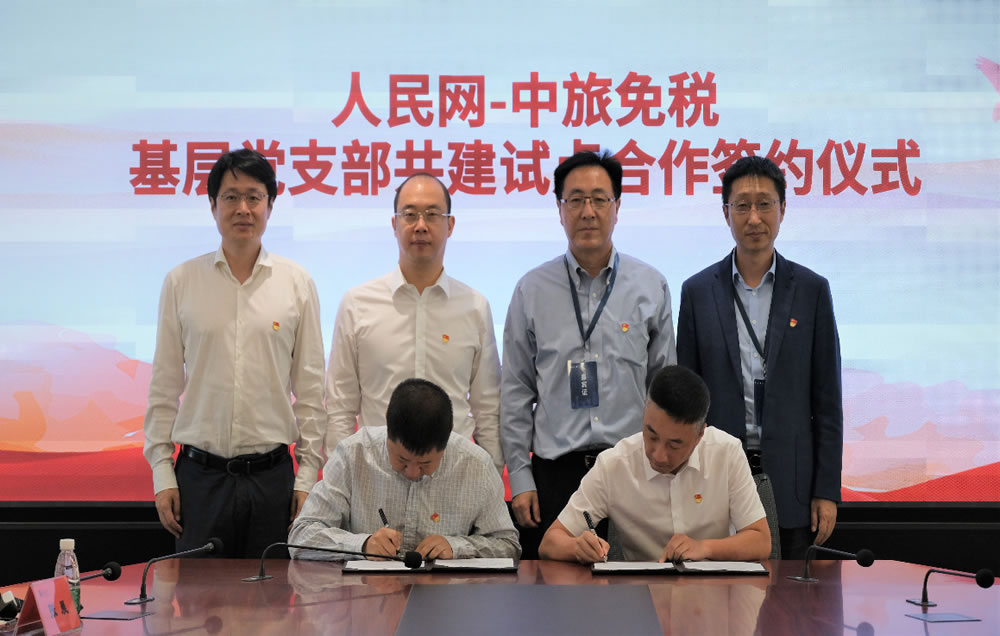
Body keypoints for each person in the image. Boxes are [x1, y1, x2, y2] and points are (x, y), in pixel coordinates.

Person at [143, 148, 326, 558]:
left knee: (274, 594)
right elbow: (164, 388)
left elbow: (312, 392)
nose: (243, 208)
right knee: (197, 596)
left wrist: (307, 478)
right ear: (212, 205)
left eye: (254, 197)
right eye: (230, 197)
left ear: (270, 205)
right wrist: (162, 473)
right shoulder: (182, 282)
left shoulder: (297, 284)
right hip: (199, 479)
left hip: (273, 480)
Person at [501, 150, 676, 558]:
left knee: (634, 589)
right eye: (575, 199)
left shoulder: (651, 286)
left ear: (617, 207)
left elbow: (664, 387)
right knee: (555, 592)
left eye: (599, 199)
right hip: (555, 475)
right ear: (560, 209)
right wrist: (521, 478)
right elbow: (515, 393)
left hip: (632, 471)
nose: (588, 211)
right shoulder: (531, 290)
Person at [676, 155, 842, 559]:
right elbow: (687, 403)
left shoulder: (811, 290)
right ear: (726, 213)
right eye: (742, 206)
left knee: (791, 596)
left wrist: (825, 490)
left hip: (791, 484)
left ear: (782, 209)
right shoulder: (697, 292)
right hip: (716, 480)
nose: (754, 217)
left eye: (765, 204)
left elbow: (827, 401)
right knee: (721, 596)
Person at [325, 173, 503, 473]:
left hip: (453, 474)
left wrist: (492, 477)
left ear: (450, 225)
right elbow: (340, 406)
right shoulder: (357, 303)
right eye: (409, 215)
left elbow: (487, 409)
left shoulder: (474, 306)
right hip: (376, 475)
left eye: (432, 214)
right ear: (394, 225)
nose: (420, 225)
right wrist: (338, 477)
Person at [539, 365, 770, 564]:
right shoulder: (614, 464)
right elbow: (550, 543)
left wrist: (704, 548)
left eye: (674, 445)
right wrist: (576, 548)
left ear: (700, 434)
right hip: (641, 595)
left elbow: (761, 540)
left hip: (715, 594)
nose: (659, 455)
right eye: (651, 436)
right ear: (644, 415)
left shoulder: (726, 453)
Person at [289, 378, 520, 560]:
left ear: (448, 436)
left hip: (446, 597)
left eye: (425, 464)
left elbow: (509, 546)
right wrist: (362, 545)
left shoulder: (475, 465)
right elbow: (300, 537)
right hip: (366, 596)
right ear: (388, 425)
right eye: (402, 460)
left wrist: (457, 547)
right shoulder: (353, 455)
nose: (412, 472)